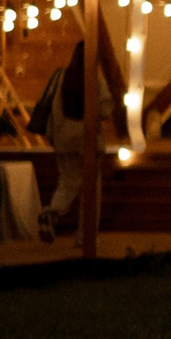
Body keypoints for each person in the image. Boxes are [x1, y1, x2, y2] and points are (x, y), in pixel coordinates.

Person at [33, 38, 115, 238]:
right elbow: (105, 111)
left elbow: (51, 107)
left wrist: (53, 136)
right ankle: (84, 236)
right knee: (91, 189)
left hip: (64, 139)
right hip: (88, 139)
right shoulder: (96, 81)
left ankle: (51, 212)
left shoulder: (61, 77)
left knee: (68, 182)